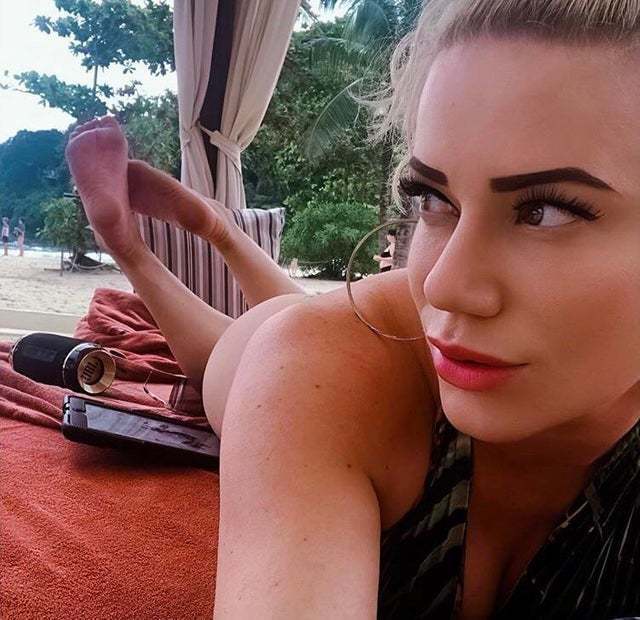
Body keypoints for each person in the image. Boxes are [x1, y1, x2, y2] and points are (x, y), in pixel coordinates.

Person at [64, 0, 640, 615]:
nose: (442, 285)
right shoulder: (317, 367)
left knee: (307, 323)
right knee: (237, 354)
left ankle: (220, 230)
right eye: (432, 198)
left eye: (545, 212)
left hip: (352, 334)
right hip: (303, 355)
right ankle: (131, 245)